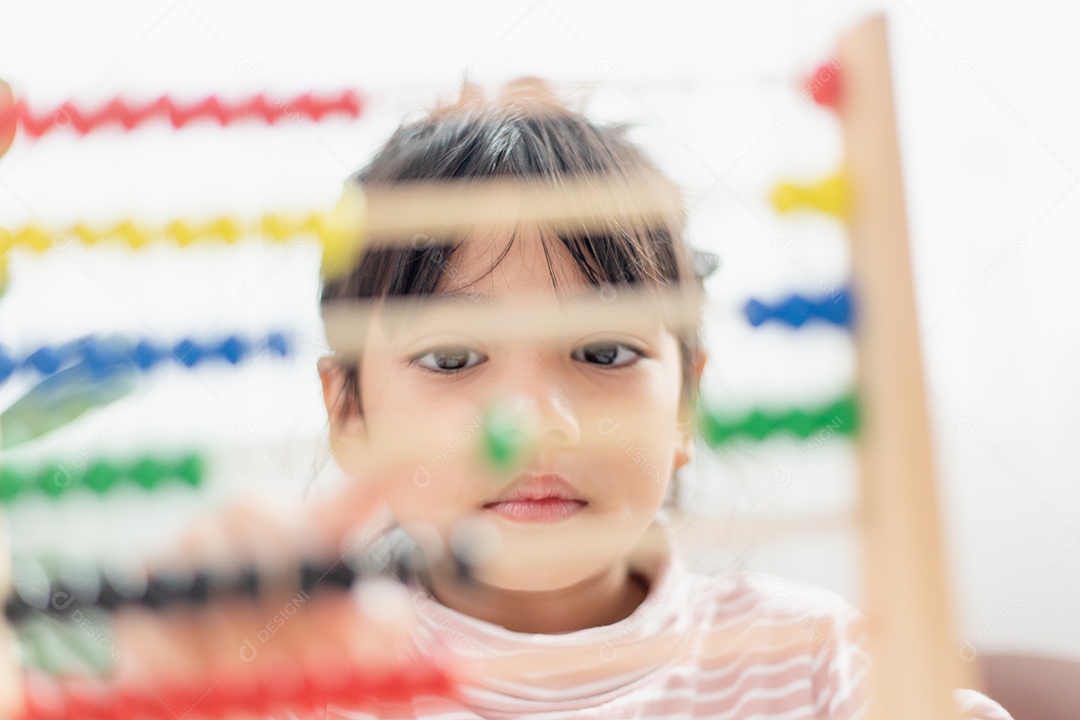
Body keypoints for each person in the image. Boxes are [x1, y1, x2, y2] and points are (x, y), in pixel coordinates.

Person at [307, 79, 1014, 719]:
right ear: (351, 415)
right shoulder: (302, 684)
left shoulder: (811, 660)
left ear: (684, 405)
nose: (538, 424)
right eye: (453, 359)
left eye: (605, 353)